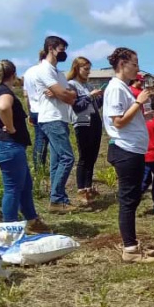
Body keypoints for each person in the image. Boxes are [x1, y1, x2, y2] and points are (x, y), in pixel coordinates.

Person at [103, 47, 154, 263]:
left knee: (132, 197)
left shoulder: (122, 88)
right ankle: (130, 249)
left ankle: (131, 242)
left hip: (132, 148)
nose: (137, 68)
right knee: (128, 200)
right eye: (135, 64)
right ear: (122, 64)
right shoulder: (116, 88)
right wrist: (138, 102)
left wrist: (142, 112)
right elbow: (118, 121)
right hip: (125, 150)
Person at [0, 60, 51, 233]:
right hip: (7, 146)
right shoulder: (4, 92)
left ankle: (32, 220)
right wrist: (12, 128)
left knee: (25, 184)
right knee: (13, 189)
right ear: (13, 75)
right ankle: (11, 229)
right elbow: (3, 107)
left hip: (2, 145)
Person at [34, 36, 78, 213]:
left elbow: (71, 95)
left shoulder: (58, 73)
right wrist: (65, 94)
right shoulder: (44, 69)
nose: (64, 53)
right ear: (51, 48)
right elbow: (65, 94)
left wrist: (66, 94)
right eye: (61, 49)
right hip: (51, 118)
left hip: (60, 118)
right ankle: (56, 199)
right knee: (68, 158)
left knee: (56, 161)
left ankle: (59, 199)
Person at [66, 57, 104, 205]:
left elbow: (94, 105)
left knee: (92, 157)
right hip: (82, 122)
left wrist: (100, 98)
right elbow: (78, 106)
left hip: (95, 121)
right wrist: (90, 96)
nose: (88, 72)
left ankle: (88, 187)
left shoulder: (87, 85)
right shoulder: (71, 85)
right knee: (84, 157)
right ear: (77, 68)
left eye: (89, 69)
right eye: (85, 69)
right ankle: (81, 189)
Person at [23, 58, 50, 171]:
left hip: (34, 109)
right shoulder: (44, 71)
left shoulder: (28, 72)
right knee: (42, 140)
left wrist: (29, 111)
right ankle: (39, 167)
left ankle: (39, 166)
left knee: (39, 138)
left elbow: (26, 95)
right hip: (44, 109)